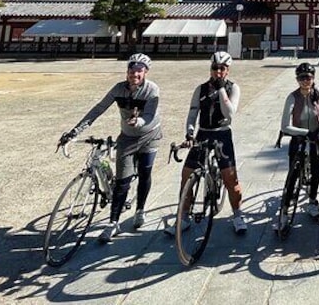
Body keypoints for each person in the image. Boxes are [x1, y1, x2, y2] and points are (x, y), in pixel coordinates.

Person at [58, 53, 162, 243]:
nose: (134, 74)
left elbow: (149, 115)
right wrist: (74, 131)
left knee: (145, 173)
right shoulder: (118, 89)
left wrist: (138, 121)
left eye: (139, 70)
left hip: (149, 136)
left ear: (145, 72)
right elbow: (98, 109)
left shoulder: (152, 90)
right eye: (132, 70)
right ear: (127, 71)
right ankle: (113, 223)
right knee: (123, 181)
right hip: (127, 138)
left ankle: (140, 210)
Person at [166, 51, 247, 235]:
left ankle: (237, 214)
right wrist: (189, 133)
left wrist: (220, 90)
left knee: (230, 179)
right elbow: (193, 113)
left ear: (228, 70)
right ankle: (184, 216)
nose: (218, 72)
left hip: (222, 134)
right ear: (210, 68)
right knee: (186, 175)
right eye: (215, 68)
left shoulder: (233, 88)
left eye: (222, 69)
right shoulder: (200, 89)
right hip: (203, 134)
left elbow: (230, 113)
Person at [279, 62, 319, 224]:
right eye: (301, 78)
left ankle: (312, 201)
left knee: (315, 168)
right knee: (293, 171)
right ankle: (285, 207)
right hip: (300, 134)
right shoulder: (292, 97)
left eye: (309, 77)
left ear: (314, 78)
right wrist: (304, 132)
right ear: (297, 79)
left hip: (316, 135)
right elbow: (285, 125)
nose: (306, 81)